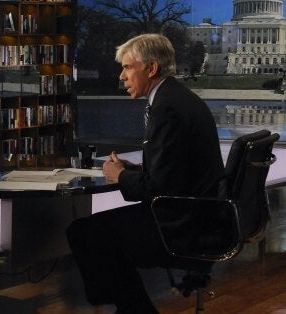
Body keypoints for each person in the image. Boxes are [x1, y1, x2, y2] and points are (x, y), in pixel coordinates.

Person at [65, 34, 225, 313]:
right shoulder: (175, 98)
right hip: (198, 213)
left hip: (183, 223)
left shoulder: (167, 108)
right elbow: (175, 170)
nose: (121, 76)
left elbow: (158, 188)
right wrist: (135, 169)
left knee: (85, 233)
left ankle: (133, 310)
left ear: (150, 69)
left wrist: (119, 176)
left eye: (128, 67)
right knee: (93, 232)